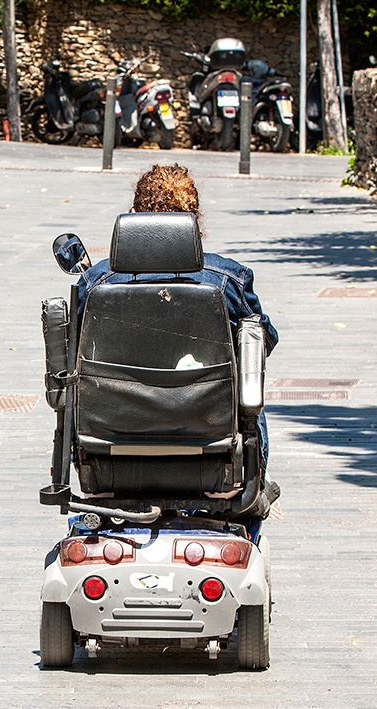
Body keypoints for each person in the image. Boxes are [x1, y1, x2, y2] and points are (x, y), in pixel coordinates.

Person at [76, 163, 279, 508]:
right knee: (247, 369)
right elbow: (264, 341)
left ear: (135, 215)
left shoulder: (97, 283)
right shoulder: (227, 280)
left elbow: (75, 351)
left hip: (108, 451)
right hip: (213, 448)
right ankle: (256, 472)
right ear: (194, 220)